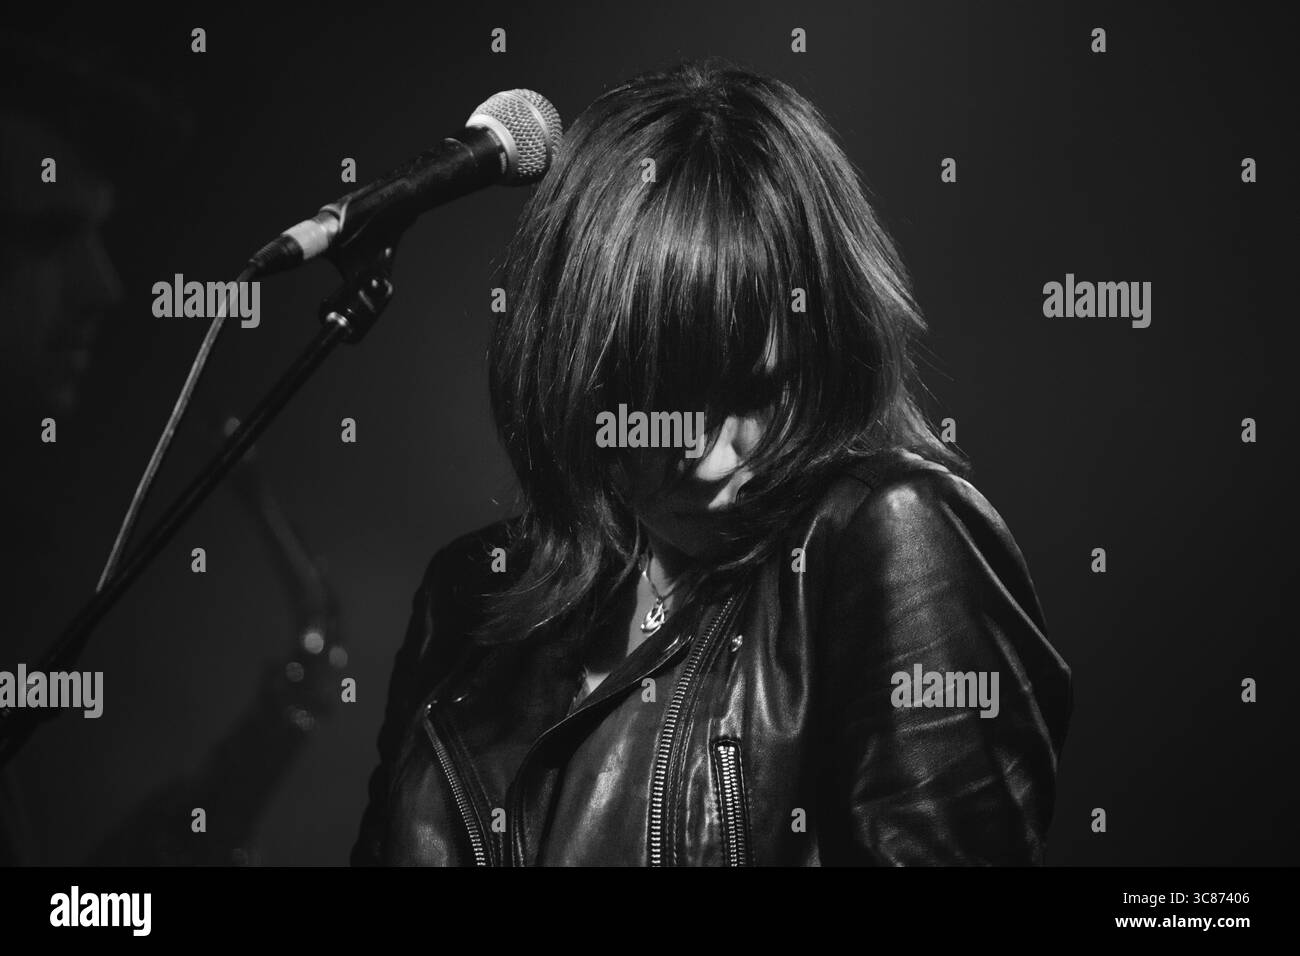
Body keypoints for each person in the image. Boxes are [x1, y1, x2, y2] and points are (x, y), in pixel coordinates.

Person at [351, 58, 1072, 867]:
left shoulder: (891, 540)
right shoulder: (466, 598)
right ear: (572, 371)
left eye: (756, 392)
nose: (711, 457)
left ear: (825, 346)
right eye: (666, 405)